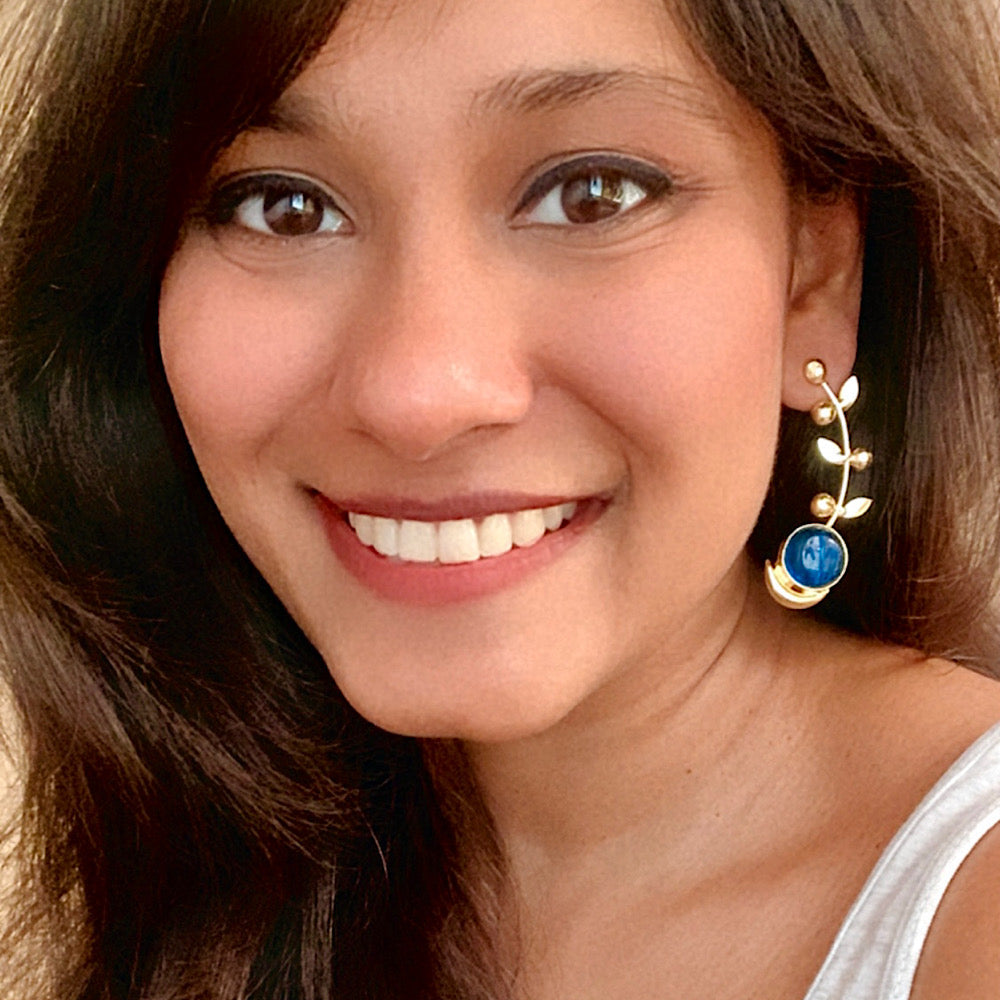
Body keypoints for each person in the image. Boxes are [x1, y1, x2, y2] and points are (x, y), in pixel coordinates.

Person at [2, 0, 1000, 996]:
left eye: (591, 195)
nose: (418, 396)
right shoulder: (204, 862)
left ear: (814, 278)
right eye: (283, 206)